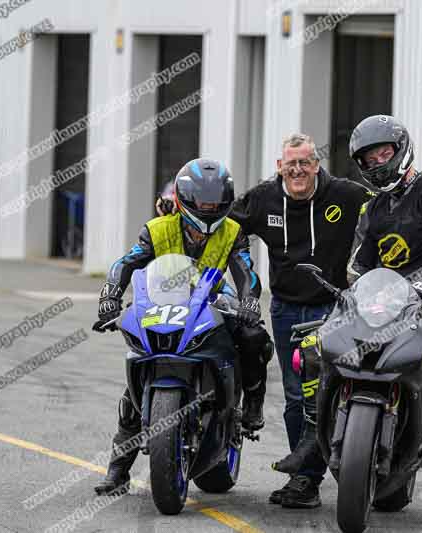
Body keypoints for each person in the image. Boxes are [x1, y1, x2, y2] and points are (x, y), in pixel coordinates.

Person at [273, 115, 422, 526]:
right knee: (313, 351)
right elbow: (358, 265)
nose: (377, 163)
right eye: (368, 158)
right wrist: (358, 292)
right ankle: (312, 442)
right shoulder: (373, 207)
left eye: (384, 153)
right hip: (387, 302)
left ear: (401, 149)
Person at [158, 134, 372, 508]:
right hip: (287, 309)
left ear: (316, 164)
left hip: (334, 308)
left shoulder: (346, 194)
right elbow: (214, 217)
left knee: (333, 389)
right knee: (294, 397)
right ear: (280, 166)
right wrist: (174, 210)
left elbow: (386, 206)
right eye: (290, 164)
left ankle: (356, 462)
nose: (298, 170)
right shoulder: (263, 197)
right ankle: (304, 481)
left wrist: (421, 184)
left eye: (305, 162)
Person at [92, 158, 273, 496]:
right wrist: (109, 296)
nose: (208, 209)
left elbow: (246, 272)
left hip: (215, 302)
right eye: (202, 202)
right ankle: (117, 473)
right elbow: (125, 264)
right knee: (134, 386)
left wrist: (249, 302)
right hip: (163, 303)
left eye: (215, 203)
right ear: (184, 198)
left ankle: (252, 405)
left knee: (254, 337)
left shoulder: (232, 231)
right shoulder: (158, 228)